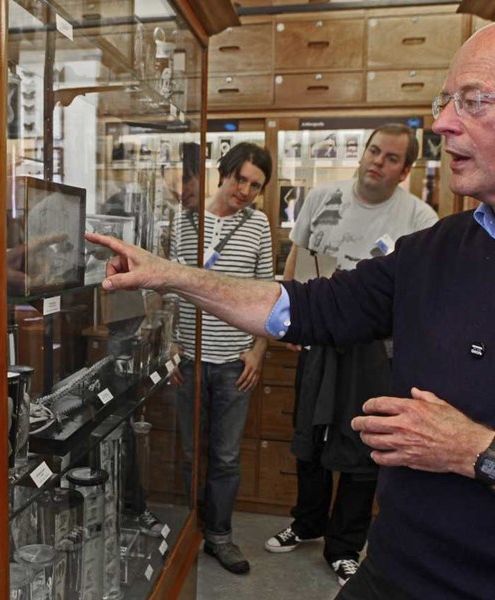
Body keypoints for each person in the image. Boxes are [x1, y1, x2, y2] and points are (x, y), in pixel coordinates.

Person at [85, 23, 495, 599]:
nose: (444, 122)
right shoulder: (436, 248)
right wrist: (168, 273)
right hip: (396, 571)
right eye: (444, 101)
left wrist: (478, 451)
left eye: (473, 101)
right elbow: (304, 304)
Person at [263, 124, 438, 587]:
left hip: (375, 352)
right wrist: (293, 322)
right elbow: (295, 261)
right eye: (373, 151)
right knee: (310, 437)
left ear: (405, 170)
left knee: (364, 447)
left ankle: (345, 546)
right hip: (320, 338)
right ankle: (306, 523)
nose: (377, 162)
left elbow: (419, 296)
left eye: (390, 158)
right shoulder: (321, 199)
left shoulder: (421, 219)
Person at [169, 142, 274, 574]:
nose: (245, 191)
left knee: (227, 456)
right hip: (188, 360)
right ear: (223, 173)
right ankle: (188, 529)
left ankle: (220, 537)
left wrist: (259, 350)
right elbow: (169, 285)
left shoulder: (259, 225)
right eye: (240, 179)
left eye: (255, 185)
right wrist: (169, 345)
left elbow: (268, 293)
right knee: (191, 451)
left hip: (233, 363)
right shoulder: (185, 218)